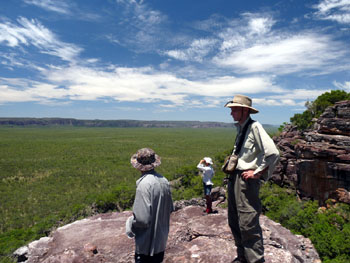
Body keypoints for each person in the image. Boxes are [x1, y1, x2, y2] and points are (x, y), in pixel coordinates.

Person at [224, 94, 279, 263]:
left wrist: (257, 172)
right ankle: (243, 257)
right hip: (236, 179)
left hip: (246, 182)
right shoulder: (242, 128)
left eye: (234, 109)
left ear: (244, 110)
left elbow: (273, 153)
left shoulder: (255, 127)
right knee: (234, 219)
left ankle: (255, 260)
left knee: (248, 222)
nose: (231, 113)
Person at [126, 148, 174, 263]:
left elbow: (142, 220)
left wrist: (130, 224)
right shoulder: (164, 181)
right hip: (161, 242)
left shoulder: (144, 185)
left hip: (145, 245)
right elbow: (170, 209)